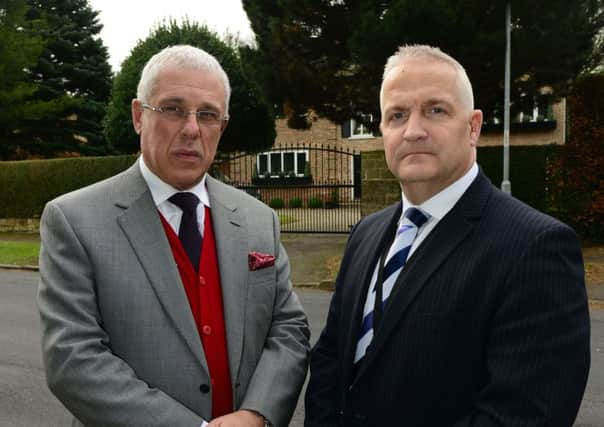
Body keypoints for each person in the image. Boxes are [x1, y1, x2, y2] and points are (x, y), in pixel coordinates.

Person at [305, 44, 590, 426]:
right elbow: (330, 362)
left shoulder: (535, 247)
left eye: (435, 110)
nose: (414, 131)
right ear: (383, 130)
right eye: (397, 115)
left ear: (473, 126)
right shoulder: (366, 234)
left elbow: (525, 414)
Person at [38, 45, 310, 427]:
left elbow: (289, 329)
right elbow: (73, 359)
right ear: (138, 116)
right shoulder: (74, 220)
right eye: (173, 109)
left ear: (223, 125)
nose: (191, 129)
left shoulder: (258, 219)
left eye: (208, 115)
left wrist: (257, 414)